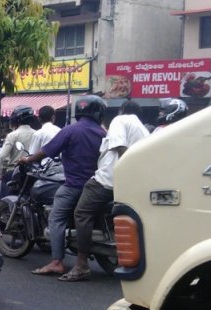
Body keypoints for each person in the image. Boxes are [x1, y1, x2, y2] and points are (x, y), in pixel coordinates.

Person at [59, 100, 150, 281]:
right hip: (127, 183)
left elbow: (120, 147)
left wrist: (123, 172)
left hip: (106, 181)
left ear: (122, 110)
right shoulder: (143, 129)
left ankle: (81, 265)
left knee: (81, 214)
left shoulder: (120, 120)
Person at [18, 95, 107, 276]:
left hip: (74, 185)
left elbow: (47, 151)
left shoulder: (70, 130)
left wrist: (27, 159)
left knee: (56, 218)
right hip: (97, 185)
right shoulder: (103, 133)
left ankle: (56, 261)